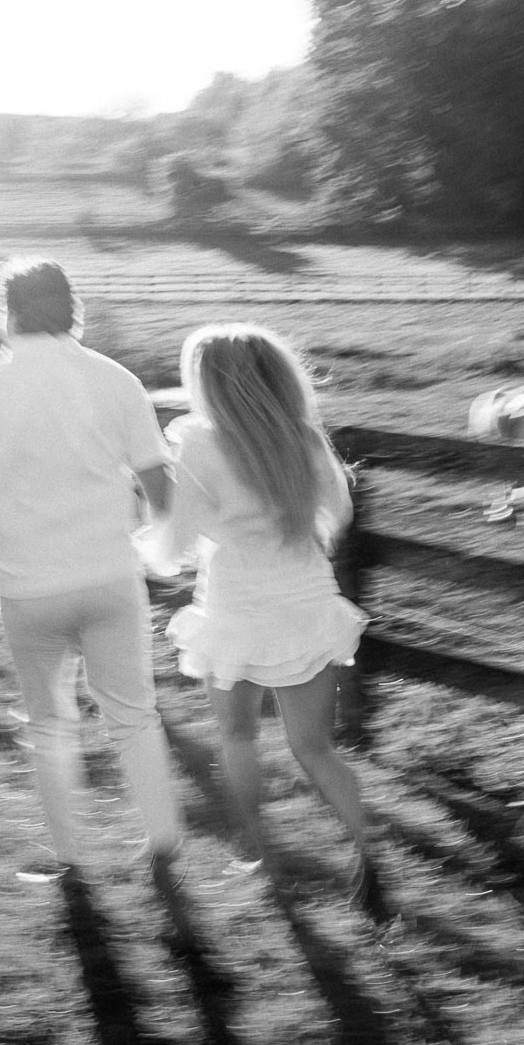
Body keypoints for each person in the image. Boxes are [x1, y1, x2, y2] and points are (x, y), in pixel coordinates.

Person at [0, 257, 184, 887]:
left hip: (26, 584)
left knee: (47, 723)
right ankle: (164, 839)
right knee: (133, 715)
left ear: (5, 309)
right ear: (73, 308)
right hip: (110, 576)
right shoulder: (115, 379)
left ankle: (72, 859)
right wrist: (152, 537)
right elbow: (158, 482)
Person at [152, 322, 385, 913]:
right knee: (315, 747)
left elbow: (171, 547)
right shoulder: (303, 439)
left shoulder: (199, 444)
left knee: (237, 735)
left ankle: (257, 854)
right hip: (306, 602)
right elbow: (338, 512)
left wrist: (148, 534)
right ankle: (367, 852)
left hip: (235, 609)